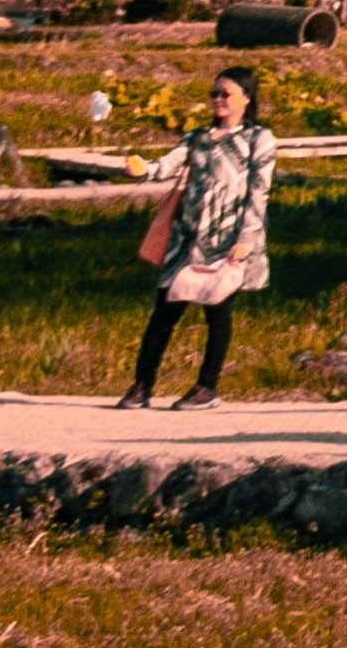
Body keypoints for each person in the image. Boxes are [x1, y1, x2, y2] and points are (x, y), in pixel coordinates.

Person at [119, 66, 280, 410]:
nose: (218, 100)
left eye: (226, 94)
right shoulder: (198, 136)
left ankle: (207, 386)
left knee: (217, 311)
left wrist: (247, 238)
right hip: (187, 237)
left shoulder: (258, 140)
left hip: (227, 239)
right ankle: (141, 386)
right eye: (214, 93)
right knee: (164, 310)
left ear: (246, 99)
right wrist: (144, 169)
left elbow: (258, 193)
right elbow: (170, 163)